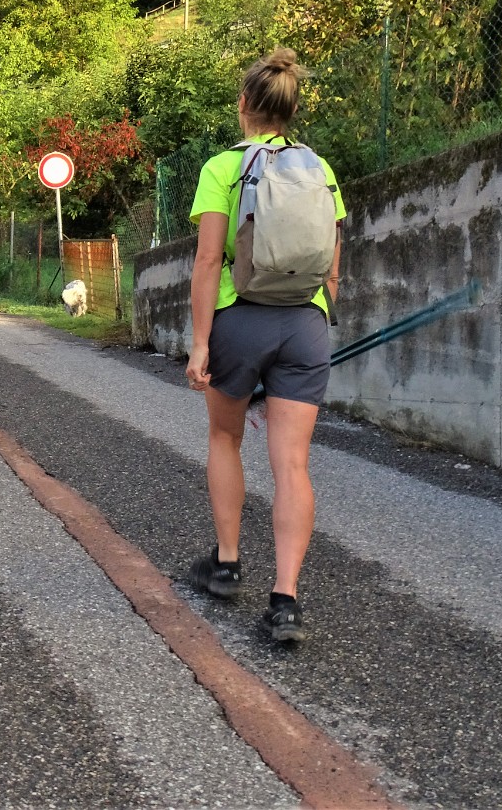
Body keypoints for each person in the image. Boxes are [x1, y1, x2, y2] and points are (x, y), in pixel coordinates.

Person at [184, 47, 346, 643]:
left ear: (245, 104)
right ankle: (286, 601)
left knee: (226, 435)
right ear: (291, 110)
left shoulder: (222, 168)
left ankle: (227, 563)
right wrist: (316, 317)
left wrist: (200, 344)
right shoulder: (320, 169)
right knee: (293, 463)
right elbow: (331, 263)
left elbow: (207, 261)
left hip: (240, 319)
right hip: (305, 324)